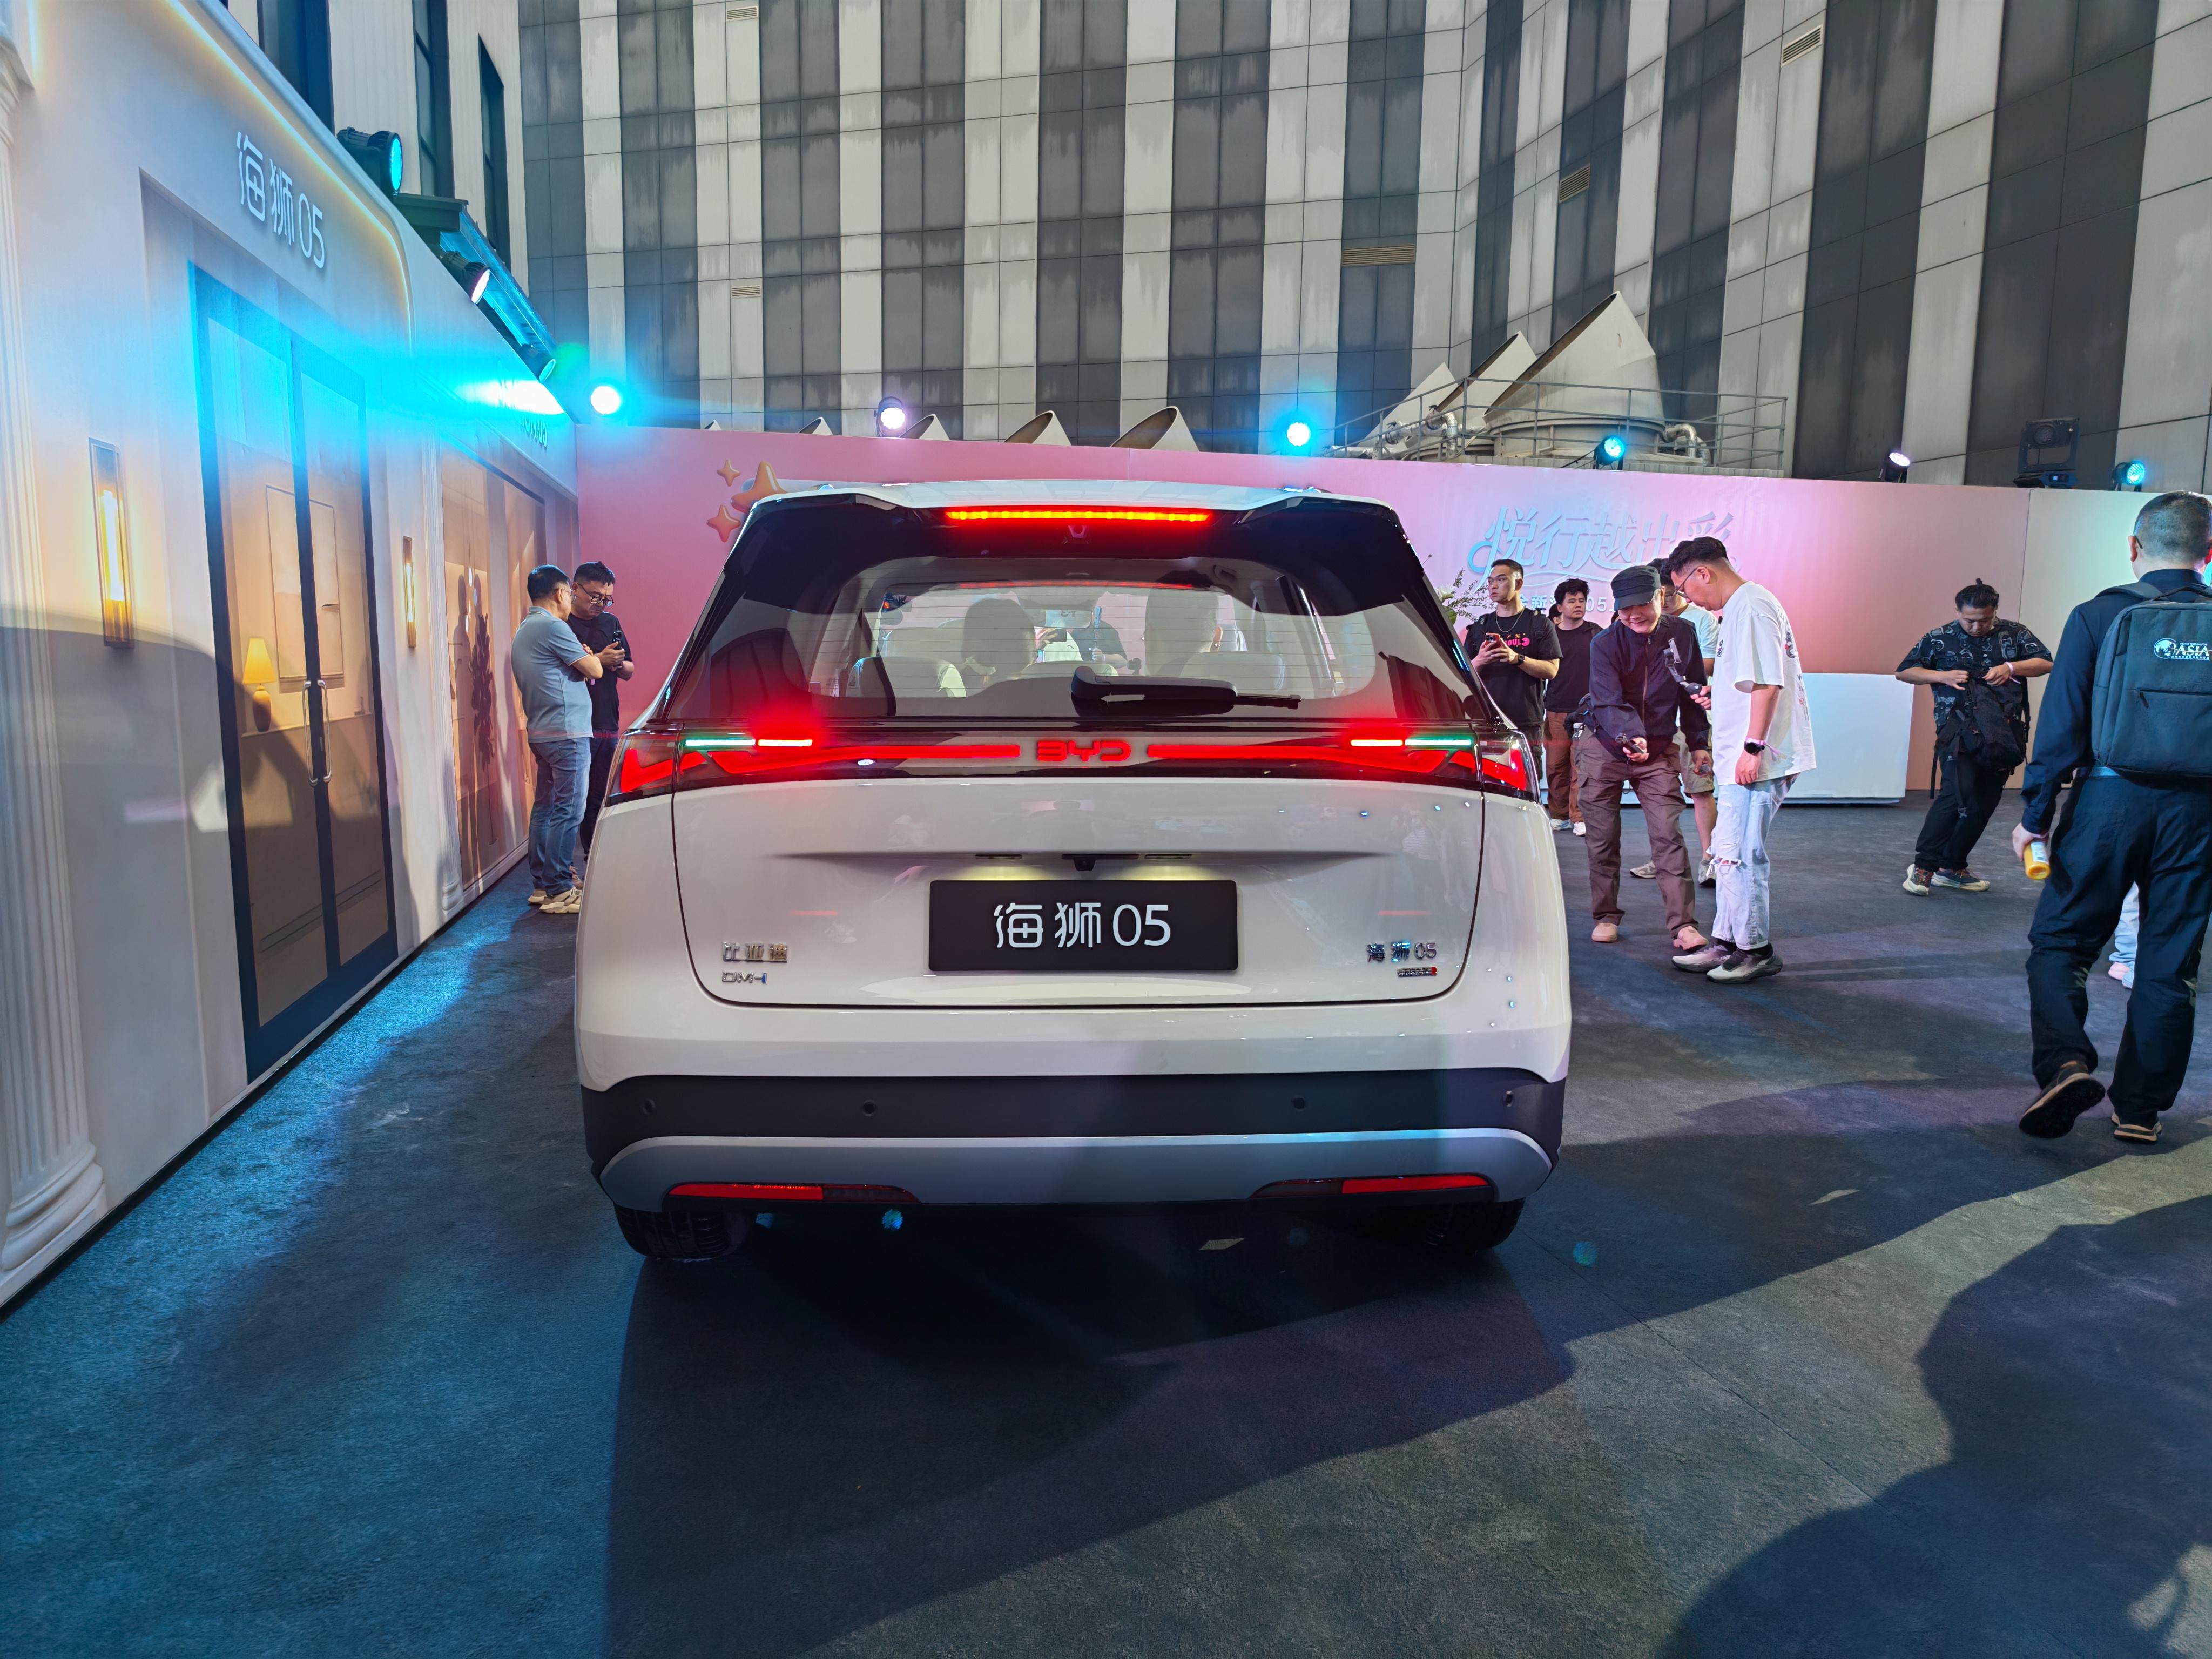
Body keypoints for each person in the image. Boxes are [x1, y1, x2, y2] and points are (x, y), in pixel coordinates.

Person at [2012, 490, 2212, 1146]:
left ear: (2133, 547)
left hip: (2108, 801)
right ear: (2208, 554)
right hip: (2198, 813)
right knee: (2169, 962)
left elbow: (2061, 727)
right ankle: (2140, 1111)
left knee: (2060, 943)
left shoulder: (2099, 615)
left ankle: (2065, 1065)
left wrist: (2035, 815)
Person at [1665, 536, 1815, 984]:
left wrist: (1752, 748)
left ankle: (1755, 950)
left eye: (1684, 588)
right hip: (1740, 754)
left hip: (1754, 757)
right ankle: (1728, 942)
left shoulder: (1750, 606)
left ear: (1703, 573)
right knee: (1727, 853)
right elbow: (1752, 682)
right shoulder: (1739, 608)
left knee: (1743, 854)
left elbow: (1769, 685)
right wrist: (1723, 695)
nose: (1689, 598)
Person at [1576, 564, 1711, 953]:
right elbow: (1607, 699)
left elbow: (1691, 690)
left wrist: (1698, 741)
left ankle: (1683, 925)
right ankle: (1606, 916)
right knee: (1602, 838)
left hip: (1660, 748)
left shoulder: (1683, 633)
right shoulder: (1604, 643)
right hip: (1604, 745)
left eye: (1642, 605)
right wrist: (1629, 735)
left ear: (1661, 597)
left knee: (1668, 835)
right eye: (1624, 609)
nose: (1634, 615)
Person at [1894, 579, 2051, 895]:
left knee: (1985, 802)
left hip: (2003, 730)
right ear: (1958, 612)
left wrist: (2011, 667)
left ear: (1995, 612)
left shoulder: (2015, 633)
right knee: (1956, 795)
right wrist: (1942, 676)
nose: (1977, 626)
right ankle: (1924, 866)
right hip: (1957, 730)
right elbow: (1904, 671)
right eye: (1970, 620)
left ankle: (1952, 866)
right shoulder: (1939, 637)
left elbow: (2046, 662)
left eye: (1985, 620)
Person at [511, 564, 604, 915]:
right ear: (561, 593)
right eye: (570, 594)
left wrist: (579, 659)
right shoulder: (554, 627)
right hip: (566, 733)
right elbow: (595, 670)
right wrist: (589, 657)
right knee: (569, 810)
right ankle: (560, 890)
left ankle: (542, 884)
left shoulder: (526, 628)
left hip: (543, 732)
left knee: (546, 809)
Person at [1631, 563, 1720, 884]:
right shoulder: (1640, 621)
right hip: (1654, 723)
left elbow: (1708, 664)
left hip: (1692, 720)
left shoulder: (1701, 620)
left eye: (1669, 593)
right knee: (1659, 795)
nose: (1665, 599)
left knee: (1700, 791)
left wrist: (1670, 662)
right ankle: (1662, 857)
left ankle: (1710, 858)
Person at [1465, 557, 1561, 777]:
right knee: (1488, 782)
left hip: (1525, 721)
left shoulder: (1539, 624)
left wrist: (1517, 658)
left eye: (1501, 580)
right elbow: (1462, 676)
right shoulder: (1480, 626)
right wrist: (1480, 661)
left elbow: (1551, 670)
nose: (1493, 586)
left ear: (1518, 584)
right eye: (1490, 581)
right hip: (1487, 720)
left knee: (1526, 782)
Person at [566, 561, 634, 853]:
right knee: (572, 802)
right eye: (595, 597)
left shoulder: (611, 622)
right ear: (575, 588)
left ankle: (592, 860)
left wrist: (615, 663)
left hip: (608, 720)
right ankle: (563, 868)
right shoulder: (561, 625)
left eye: (607, 599)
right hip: (576, 725)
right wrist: (598, 661)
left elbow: (630, 670)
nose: (601, 604)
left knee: (599, 799)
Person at [1543, 578, 1594, 835]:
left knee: (1580, 766)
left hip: (1587, 711)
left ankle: (1579, 816)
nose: (1578, 605)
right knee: (1555, 766)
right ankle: (1559, 815)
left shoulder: (1595, 633)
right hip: (1556, 708)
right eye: (1572, 601)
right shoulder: (1549, 634)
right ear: (1560, 607)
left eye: (1582, 600)